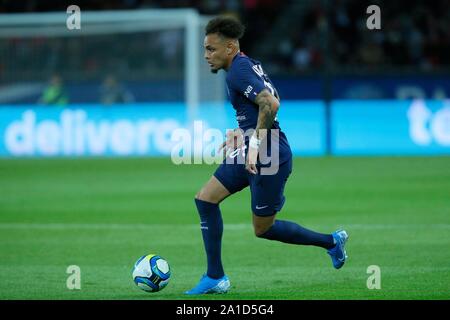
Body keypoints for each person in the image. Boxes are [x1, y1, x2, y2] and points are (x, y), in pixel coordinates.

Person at [185, 16, 349, 295]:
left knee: (263, 228)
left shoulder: (238, 70)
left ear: (230, 47)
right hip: (256, 147)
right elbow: (259, 107)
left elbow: (271, 104)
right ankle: (215, 277)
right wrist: (241, 133)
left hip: (270, 154)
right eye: (205, 49)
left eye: (211, 49)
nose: (205, 56)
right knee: (205, 199)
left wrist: (254, 144)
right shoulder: (243, 65)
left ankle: (331, 242)